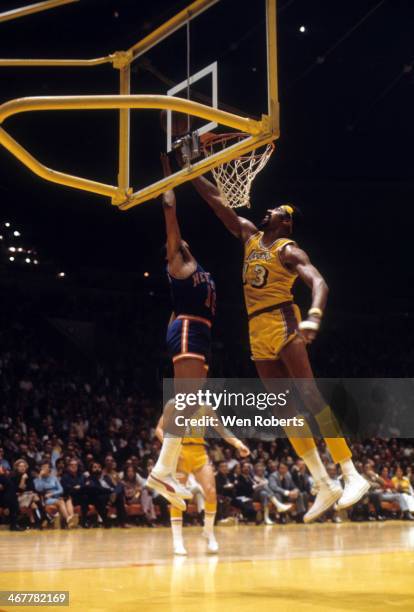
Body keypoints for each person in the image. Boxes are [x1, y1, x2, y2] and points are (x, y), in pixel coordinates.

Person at [191, 174, 369, 522]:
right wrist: (190, 171)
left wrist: (315, 316)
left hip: (283, 319)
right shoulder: (248, 236)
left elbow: (319, 281)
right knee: (283, 410)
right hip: (256, 327)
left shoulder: (287, 250)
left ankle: (351, 474)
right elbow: (216, 201)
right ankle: (323, 482)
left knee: (310, 395)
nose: (268, 210)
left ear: (285, 221)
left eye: (276, 210)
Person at [147, 153, 217, 511]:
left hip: (196, 330)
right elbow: (170, 208)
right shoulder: (177, 261)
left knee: (187, 403)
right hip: (190, 328)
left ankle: (161, 469)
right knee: (187, 401)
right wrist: (168, 173)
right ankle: (161, 470)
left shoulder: (195, 265)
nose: (181, 239)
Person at [155, 409, 250, 555]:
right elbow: (159, 430)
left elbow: (222, 429)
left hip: (199, 453)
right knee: (177, 497)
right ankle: (178, 541)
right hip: (180, 453)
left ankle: (209, 532)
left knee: (211, 491)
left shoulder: (205, 407)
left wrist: (238, 444)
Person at [34, 461, 75, 528]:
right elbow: (39, 489)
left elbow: (61, 490)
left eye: (46, 467)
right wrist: (40, 477)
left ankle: (71, 518)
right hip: (47, 499)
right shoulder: (37, 480)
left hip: (57, 497)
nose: (44, 469)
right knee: (61, 502)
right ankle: (68, 519)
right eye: (43, 467)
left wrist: (52, 493)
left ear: (49, 469)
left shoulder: (54, 478)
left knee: (68, 499)